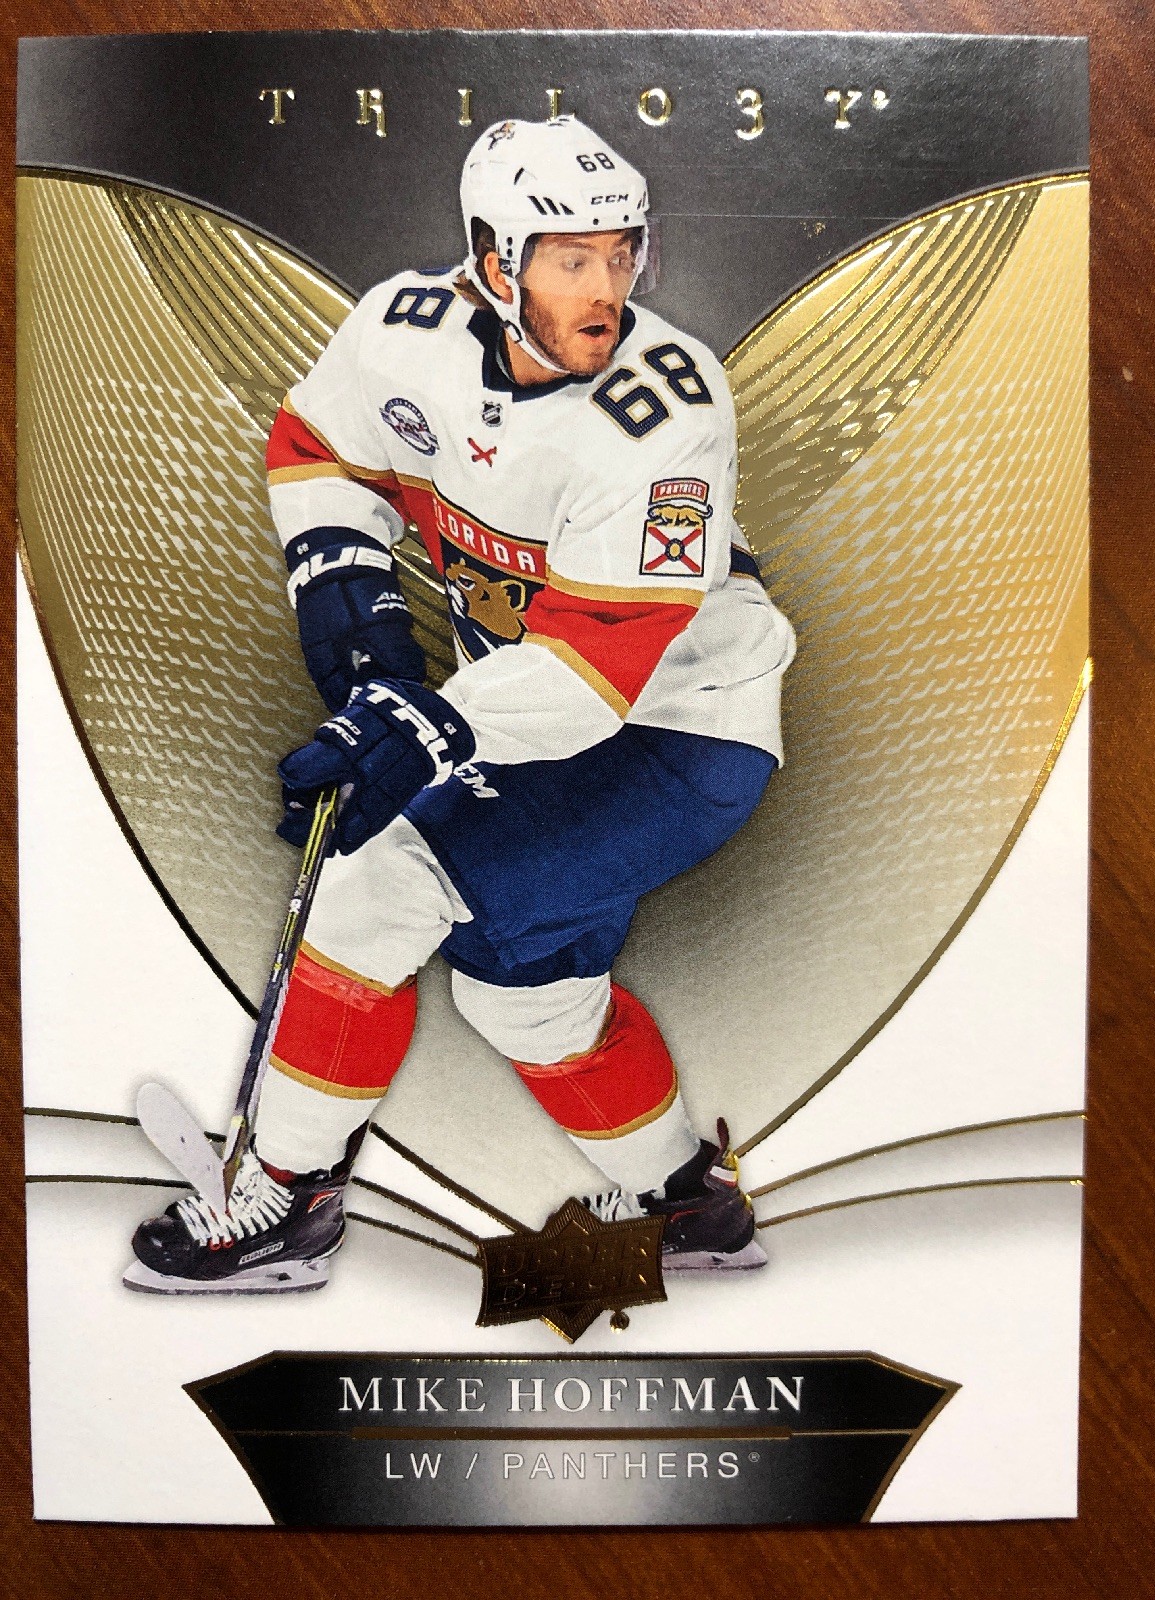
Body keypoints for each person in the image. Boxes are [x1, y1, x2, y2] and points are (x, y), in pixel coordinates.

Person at [126, 116, 795, 1295]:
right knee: (524, 995)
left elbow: (600, 660)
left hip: (679, 730)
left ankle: (285, 1194)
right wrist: (348, 591)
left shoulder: (667, 411)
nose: (606, 288)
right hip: (536, 716)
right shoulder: (405, 331)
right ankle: (690, 1204)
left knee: (374, 884)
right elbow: (319, 445)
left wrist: (418, 723)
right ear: (495, 262)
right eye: (571, 259)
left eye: (621, 254)